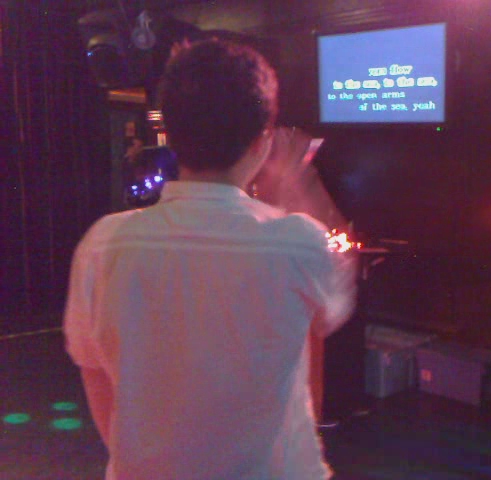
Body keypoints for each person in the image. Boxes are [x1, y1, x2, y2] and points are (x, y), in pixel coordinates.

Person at [63, 37, 357, 480]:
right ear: (262, 141)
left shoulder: (102, 245)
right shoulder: (299, 242)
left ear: (172, 133)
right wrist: (297, 182)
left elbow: (96, 376)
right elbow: (338, 288)